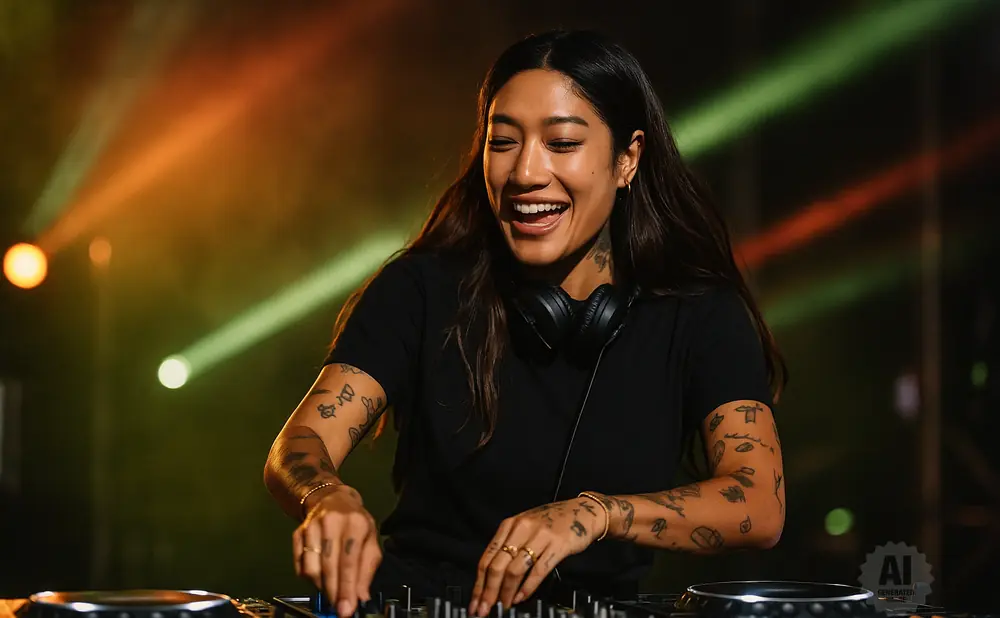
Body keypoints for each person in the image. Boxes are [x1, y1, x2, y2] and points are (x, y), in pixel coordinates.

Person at [264, 29, 787, 618]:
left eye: (562, 143)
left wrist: (594, 514)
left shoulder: (698, 313)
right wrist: (326, 496)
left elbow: (757, 503)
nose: (525, 174)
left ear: (627, 159)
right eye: (503, 142)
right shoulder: (421, 290)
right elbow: (299, 445)